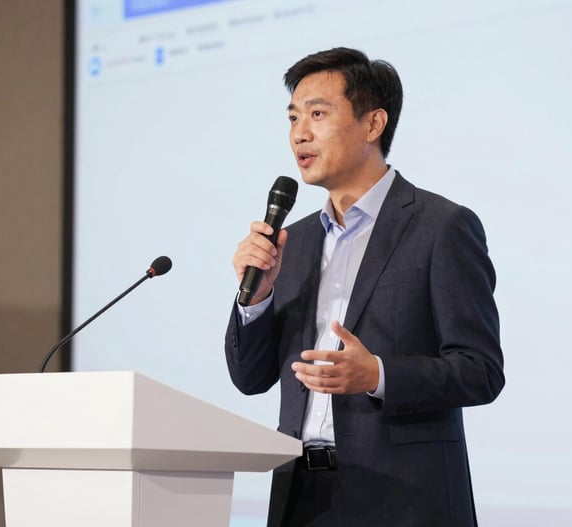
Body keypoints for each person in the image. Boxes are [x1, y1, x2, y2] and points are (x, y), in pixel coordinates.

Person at [225, 47, 504, 527]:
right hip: (301, 498)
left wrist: (376, 374)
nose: (299, 133)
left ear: (373, 124)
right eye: (293, 117)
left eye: (317, 113)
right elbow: (251, 380)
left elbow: (480, 370)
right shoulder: (297, 238)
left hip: (402, 502)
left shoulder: (441, 227)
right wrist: (256, 297)